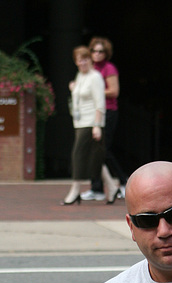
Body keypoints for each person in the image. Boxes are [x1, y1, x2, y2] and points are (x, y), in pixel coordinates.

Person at [62, 46, 119, 206]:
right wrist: (73, 88)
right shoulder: (80, 76)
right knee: (95, 158)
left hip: (90, 122)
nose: (83, 62)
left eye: (86, 59)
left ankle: (75, 190)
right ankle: (112, 186)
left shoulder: (95, 77)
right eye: (79, 59)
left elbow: (100, 102)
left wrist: (96, 125)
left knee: (78, 155)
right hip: (80, 122)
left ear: (90, 60)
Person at [80, 37, 128, 203]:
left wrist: (95, 91)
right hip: (92, 112)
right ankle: (97, 188)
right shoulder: (89, 69)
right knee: (95, 151)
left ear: (106, 53)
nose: (96, 54)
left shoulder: (108, 68)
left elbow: (114, 91)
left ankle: (123, 182)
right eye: (94, 51)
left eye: (100, 51)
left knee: (103, 150)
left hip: (108, 111)